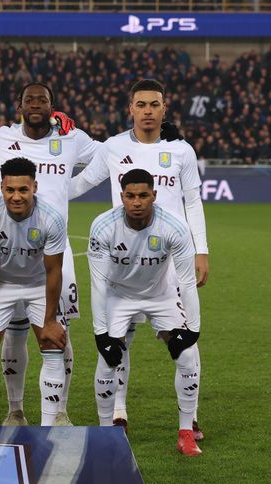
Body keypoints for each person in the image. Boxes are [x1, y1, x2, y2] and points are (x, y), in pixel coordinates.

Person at [70, 79, 208, 438]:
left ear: (165, 109)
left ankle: (189, 418)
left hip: (170, 258)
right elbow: (79, 185)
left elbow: (192, 201)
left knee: (184, 340)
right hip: (124, 259)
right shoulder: (113, 147)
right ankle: (118, 409)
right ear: (130, 108)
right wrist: (42, 188)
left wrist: (201, 249)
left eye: (154, 104)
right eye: (141, 104)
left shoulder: (182, 150)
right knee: (120, 341)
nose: (148, 111)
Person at [0, 82, 97, 426]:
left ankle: (60, 410)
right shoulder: (1, 138)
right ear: (19, 106)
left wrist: (71, 189)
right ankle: (15, 410)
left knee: (57, 331)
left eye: (43, 100)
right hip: (8, 248)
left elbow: (109, 158)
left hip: (54, 249)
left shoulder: (72, 137)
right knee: (11, 332)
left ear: (53, 107)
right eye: (29, 100)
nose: (36, 104)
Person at [87, 168, 202, 457]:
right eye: (130, 196)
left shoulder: (175, 227)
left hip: (159, 294)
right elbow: (98, 282)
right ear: (121, 196)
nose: (136, 202)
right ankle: (104, 434)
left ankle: (186, 433)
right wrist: (102, 335)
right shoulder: (103, 226)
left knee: (188, 354)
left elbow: (187, 281)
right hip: (117, 294)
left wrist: (192, 331)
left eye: (143, 195)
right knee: (107, 358)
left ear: (154, 195)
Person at [0, 158, 68, 426]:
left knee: (52, 343)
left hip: (38, 282)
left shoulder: (52, 218)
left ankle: (47, 428)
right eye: (10, 190)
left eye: (23, 190)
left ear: (34, 187)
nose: (16, 197)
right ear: (1, 187)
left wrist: (49, 321)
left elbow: (53, 271)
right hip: (1, 282)